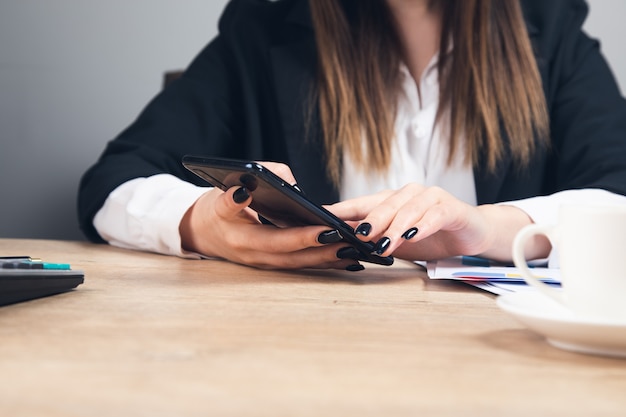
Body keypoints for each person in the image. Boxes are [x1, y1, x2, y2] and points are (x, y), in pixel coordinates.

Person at [78, 0, 626, 271]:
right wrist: (203, 225)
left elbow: (617, 196)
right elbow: (112, 183)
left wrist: (485, 230)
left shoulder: (552, 33)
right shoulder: (264, 29)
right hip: (307, 358)